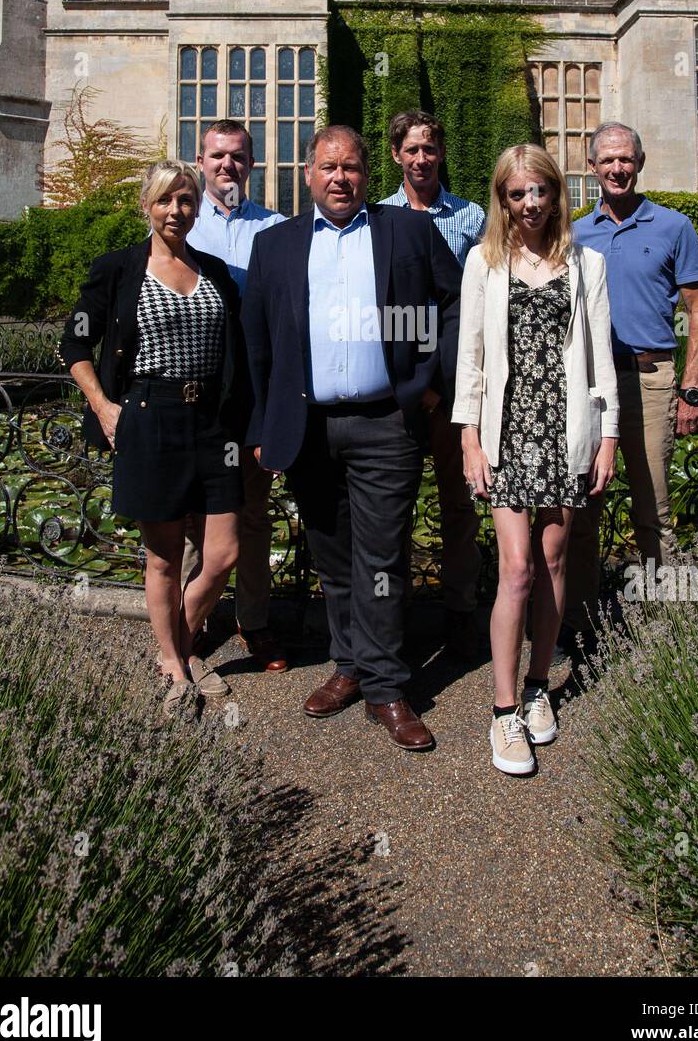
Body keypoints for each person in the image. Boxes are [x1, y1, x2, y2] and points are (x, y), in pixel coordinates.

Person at [241, 124, 463, 751]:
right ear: (307, 175)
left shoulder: (408, 232)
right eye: (328, 167)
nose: (340, 178)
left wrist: (429, 380)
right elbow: (257, 343)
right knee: (333, 556)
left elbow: (453, 304)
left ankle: (388, 686)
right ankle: (347, 667)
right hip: (309, 426)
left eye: (352, 167)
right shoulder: (276, 246)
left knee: (383, 556)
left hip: (384, 424)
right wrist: (261, 425)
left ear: (367, 174)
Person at [452, 144, 618, 776]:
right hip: (510, 429)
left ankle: (539, 685)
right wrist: (468, 437)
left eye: (540, 192)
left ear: (556, 194)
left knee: (552, 561)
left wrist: (606, 438)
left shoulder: (586, 264)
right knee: (516, 569)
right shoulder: (483, 263)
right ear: (503, 198)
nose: (530, 204)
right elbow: (470, 357)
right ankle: (503, 711)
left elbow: (601, 358)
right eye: (517, 194)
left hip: (567, 428)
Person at [60, 160, 248, 716]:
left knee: (223, 553)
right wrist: (104, 406)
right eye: (165, 200)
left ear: (197, 207)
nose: (176, 211)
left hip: (212, 422)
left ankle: (181, 643)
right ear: (147, 205)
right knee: (163, 558)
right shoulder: (116, 270)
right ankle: (174, 664)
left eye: (186, 201)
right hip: (149, 415)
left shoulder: (214, 270)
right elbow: (74, 346)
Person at [566, 121, 698, 637]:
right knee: (582, 510)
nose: (616, 168)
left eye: (625, 159)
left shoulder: (673, 227)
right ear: (592, 167)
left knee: (653, 510)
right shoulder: (576, 233)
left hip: (651, 380)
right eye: (606, 160)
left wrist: (690, 387)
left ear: (640, 163)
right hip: (592, 388)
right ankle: (580, 623)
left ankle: (664, 627)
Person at [380, 111, 485, 656]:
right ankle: (390, 615)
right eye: (411, 149)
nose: (421, 158)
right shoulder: (381, 217)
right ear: (397, 154)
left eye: (429, 148)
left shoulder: (471, 218)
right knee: (390, 504)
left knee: (459, 503)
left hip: (454, 388)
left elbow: (483, 303)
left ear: (440, 153)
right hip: (398, 390)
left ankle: (461, 608)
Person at [187, 119, 287, 672]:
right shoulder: (179, 220)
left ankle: (255, 622)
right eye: (217, 155)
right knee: (190, 516)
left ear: (252, 164)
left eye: (238, 157)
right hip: (195, 393)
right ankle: (190, 621)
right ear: (201, 160)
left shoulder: (273, 229)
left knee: (251, 514)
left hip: (249, 394)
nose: (227, 165)